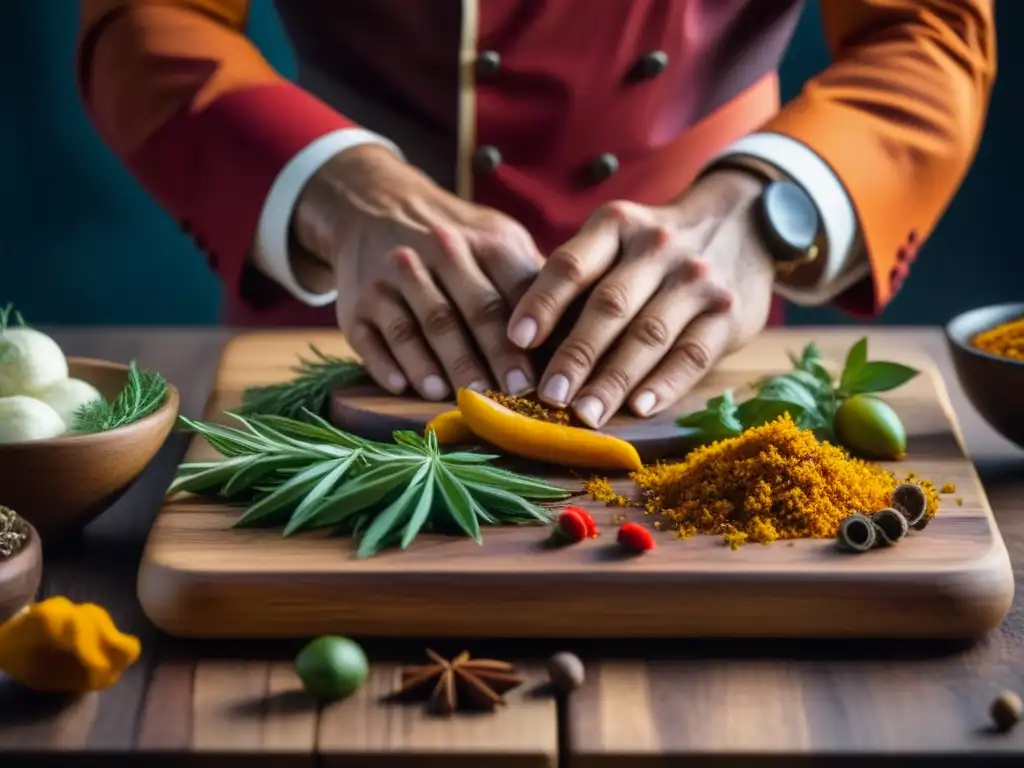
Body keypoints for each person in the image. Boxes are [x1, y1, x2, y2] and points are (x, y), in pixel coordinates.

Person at [77, 0, 995, 428]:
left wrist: (766, 209)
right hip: (345, 322)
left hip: (708, 327)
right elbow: (145, 19)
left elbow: (929, 27)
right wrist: (337, 188)